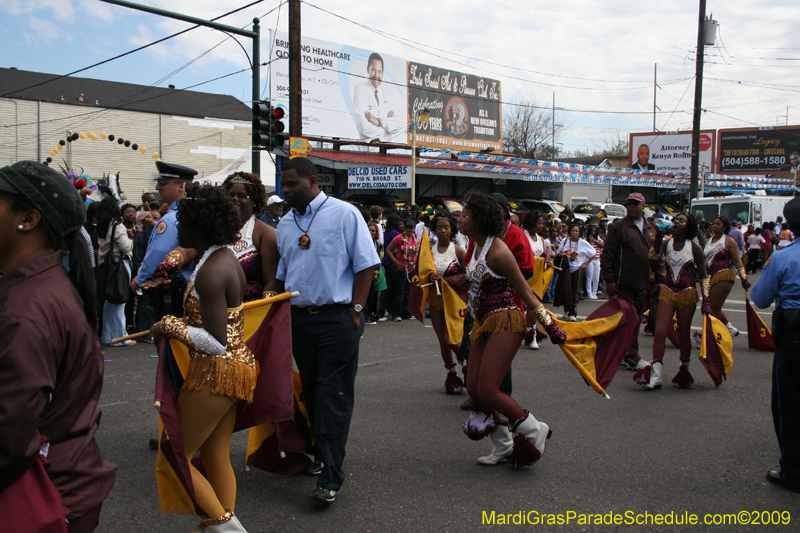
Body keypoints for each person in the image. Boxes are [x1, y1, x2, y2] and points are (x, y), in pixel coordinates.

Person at [0, 160, 116, 532]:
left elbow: (10, 436)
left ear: (28, 219)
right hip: (66, 482)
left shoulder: (25, 310)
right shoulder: (38, 288)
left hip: (44, 496)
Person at [276, 156, 379, 504]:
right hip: (300, 320)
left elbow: (366, 266)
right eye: (283, 184)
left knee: (333, 394)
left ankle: (332, 477)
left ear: (312, 182)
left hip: (338, 319)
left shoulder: (344, 214)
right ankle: (321, 455)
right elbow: (283, 272)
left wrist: (356, 310)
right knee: (312, 393)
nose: (286, 190)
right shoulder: (286, 223)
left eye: (292, 184)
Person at [154, 185, 253, 531]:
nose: (177, 226)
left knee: (173, 454)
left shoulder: (212, 271)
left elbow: (216, 342)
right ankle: (222, 524)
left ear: (200, 223)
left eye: (182, 218)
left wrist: (172, 326)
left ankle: (227, 529)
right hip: (233, 371)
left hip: (217, 372)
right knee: (214, 455)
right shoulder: (221, 257)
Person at [457, 192, 566, 468]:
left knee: (489, 390)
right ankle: (503, 444)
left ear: (479, 220)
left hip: (506, 320)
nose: (461, 218)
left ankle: (533, 429)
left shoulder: (498, 251)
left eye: (466, 215)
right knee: (474, 388)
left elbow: (527, 293)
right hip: (483, 320)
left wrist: (550, 326)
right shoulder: (476, 245)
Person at [144, 173, 279, 303]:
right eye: (230, 195)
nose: (235, 199)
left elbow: (271, 283)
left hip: (249, 313)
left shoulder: (266, 234)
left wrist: (261, 315)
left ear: (255, 200)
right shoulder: (215, 226)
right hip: (207, 303)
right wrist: (164, 270)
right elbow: (186, 251)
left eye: (242, 195)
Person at [751, 196, 800, 493]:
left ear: (789, 225)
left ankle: (792, 472)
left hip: (794, 337)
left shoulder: (784, 257)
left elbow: (761, 298)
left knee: (789, 405)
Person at [638, 213, 709, 390]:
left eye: (681, 220)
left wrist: (706, 299)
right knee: (660, 331)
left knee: (683, 335)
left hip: (687, 293)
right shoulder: (666, 243)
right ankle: (656, 375)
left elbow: (704, 276)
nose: (676, 222)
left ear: (689, 226)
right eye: (675, 220)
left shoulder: (694, 247)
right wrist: (658, 237)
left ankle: (684, 369)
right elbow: (652, 257)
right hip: (668, 291)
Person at [601, 192, 665, 371]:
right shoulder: (618, 227)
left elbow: (658, 257)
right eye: (628, 203)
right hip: (622, 283)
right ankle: (631, 356)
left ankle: (619, 352)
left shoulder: (653, 229)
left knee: (634, 319)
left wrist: (660, 278)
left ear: (643, 206)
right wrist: (610, 280)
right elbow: (608, 255)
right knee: (629, 319)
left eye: (635, 203)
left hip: (642, 282)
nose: (630, 206)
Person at [131, 161, 197, 295]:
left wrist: (139, 280)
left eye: (163, 183)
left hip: (169, 290)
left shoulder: (171, 218)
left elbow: (159, 252)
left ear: (181, 186)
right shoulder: (190, 212)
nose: (157, 187)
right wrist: (152, 228)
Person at [425, 212, 466, 383]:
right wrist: (428, 276)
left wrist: (450, 281)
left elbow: (468, 275)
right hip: (435, 300)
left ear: (452, 230)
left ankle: (467, 362)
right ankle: (452, 374)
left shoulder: (458, 251)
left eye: (446, 227)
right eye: (439, 228)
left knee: (451, 339)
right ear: (434, 230)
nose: (443, 231)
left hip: (454, 300)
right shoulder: (428, 251)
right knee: (442, 340)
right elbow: (421, 272)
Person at [96, 196, 135, 346]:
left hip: (105, 265)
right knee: (120, 299)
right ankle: (121, 337)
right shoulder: (117, 226)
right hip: (119, 264)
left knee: (109, 302)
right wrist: (132, 241)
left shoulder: (102, 225)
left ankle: (108, 336)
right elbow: (125, 247)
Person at [704, 215, 749, 339]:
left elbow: (737, 261)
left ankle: (710, 335)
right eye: (713, 223)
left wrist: (744, 278)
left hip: (724, 275)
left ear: (724, 227)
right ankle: (729, 328)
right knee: (712, 305)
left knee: (713, 307)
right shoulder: (708, 241)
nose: (714, 226)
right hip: (710, 277)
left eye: (718, 224)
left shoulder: (729, 241)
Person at [352, 53, 401, 141]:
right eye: (373, 70)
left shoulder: (387, 94)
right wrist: (387, 130)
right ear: (368, 69)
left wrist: (379, 122)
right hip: (367, 147)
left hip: (386, 147)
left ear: (382, 73)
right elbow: (363, 126)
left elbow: (398, 126)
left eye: (379, 71)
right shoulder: (360, 89)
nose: (377, 75)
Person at [555, 222, 595, 321]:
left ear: (580, 232)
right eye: (573, 230)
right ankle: (566, 309)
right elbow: (558, 252)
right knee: (565, 289)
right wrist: (562, 255)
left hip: (577, 269)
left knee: (575, 291)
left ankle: (573, 312)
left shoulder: (583, 242)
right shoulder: (565, 241)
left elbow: (592, 253)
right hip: (566, 269)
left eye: (577, 231)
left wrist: (586, 264)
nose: (574, 233)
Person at [386, 220, 419, 321]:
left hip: (411, 268)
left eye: (411, 227)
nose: (409, 229)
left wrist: (414, 264)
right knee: (399, 291)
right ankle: (397, 314)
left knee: (408, 292)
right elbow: (388, 250)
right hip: (400, 267)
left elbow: (419, 253)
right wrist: (395, 261)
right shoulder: (399, 238)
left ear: (414, 229)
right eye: (407, 227)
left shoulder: (417, 240)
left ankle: (406, 313)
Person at [364, 220, 387, 324]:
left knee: (375, 292)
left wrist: (376, 274)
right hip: (365, 270)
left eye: (373, 230)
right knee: (367, 294)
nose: (371, 232)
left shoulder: (376, 243)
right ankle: (367, 315)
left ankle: (374, 314)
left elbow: (377, 259)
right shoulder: (363, 242)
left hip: (374, 269)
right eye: (369, 230)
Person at [584, 225, 603, 300]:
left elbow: (602, 245)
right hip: (589, 260)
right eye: (591, 231)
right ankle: (589, 293)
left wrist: (594, 241)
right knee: (589, 277)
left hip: (597, 260)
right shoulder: (585, 240)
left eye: (594, 231)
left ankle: (594, 292)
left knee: (596, 278)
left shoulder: (598, 238)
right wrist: (590, 241)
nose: (593, 232)